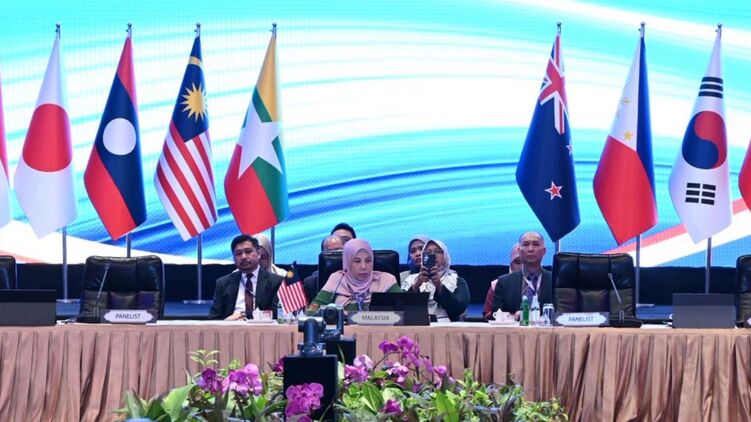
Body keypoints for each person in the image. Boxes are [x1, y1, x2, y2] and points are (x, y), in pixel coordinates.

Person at [308, 238, 401, 312]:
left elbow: (405, 308)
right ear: (347, 263)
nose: (364, 267)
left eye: (368, 261)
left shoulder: (385, 280)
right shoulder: (337, 280)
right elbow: (312, 310)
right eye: (357, 261)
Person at [208, 234, 284, 320]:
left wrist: (243, 315)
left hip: (262, 326)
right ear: (233, 258)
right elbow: (214, 318)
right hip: (231, 326)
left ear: (258, 254)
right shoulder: (223, 283)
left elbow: (276, 314)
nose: (243, 257)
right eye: (238, 253)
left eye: (248, 251)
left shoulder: (276, 282)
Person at [401, 239, 469, 322]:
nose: (433, 255)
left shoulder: (456, 280)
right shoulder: (411, 279)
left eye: (438, 251)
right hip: (417, 324)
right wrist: (416, 286)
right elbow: (400, 306)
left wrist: (439, 287)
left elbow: (459, 308)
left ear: (445, 256)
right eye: (428, 252)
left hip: (447, 326)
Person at [491, 231, 553, 320]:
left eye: (536, 244)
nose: (530, 249)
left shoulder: (555, 281)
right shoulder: (504, 282)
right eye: (526, 244)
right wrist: (514, 317)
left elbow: (564, 313)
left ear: (544, 251)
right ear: (519, 251)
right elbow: (496, 315)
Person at [482, 243, 521, 320]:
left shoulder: (543, 283)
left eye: (527, 262)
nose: (522, 266)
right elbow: (487, 316)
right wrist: (508, 315)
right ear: (510, 264)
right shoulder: (497, 284)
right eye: (517, 262)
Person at [302, 234, 345, 304]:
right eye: (329, 251)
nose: (335, 256)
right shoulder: (311, 283)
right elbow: (311, 308)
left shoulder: (358, 279)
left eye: (338, 251)